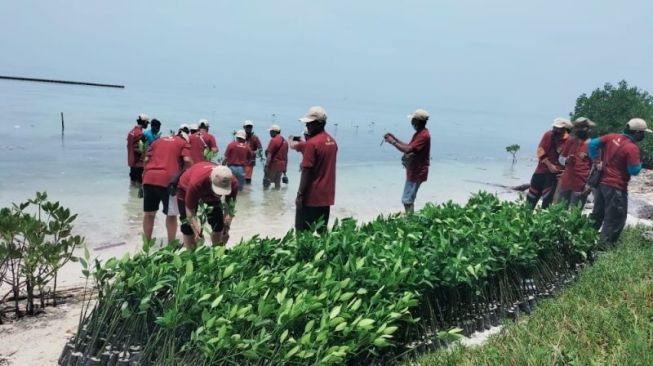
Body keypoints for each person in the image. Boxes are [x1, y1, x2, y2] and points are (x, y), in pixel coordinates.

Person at [588, 118, 650, 248]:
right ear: (637, 132)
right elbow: (634, 171)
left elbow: (592, 144)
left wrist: (596, 160)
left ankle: (585, 242)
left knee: (597, 215)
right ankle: (603, 250)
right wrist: (640, 162)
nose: (643, 135)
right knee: (615, 219)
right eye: (643, 133)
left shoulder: (611, 137)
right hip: (616, 187)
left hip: (601, 184)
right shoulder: (631, 148)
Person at [142, 133, 192, 243]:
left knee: (149, 214)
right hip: (168, 180)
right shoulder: (183, 143)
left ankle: (146, 245)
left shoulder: (157, 141)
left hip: (149, 177)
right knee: (171, 214)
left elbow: (146, 159)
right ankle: (171, 245)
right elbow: (187, 160)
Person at [177, 163, 239, 249]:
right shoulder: (196, 182)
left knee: (218, 224)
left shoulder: (233, 183)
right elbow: (190, 211)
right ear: (211, 179)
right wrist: (197, 232)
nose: (219, 194)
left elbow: (229, 209)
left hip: (208, 191)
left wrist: (226, 229)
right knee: (187, 226)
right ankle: (191, 255)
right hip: (185, 188)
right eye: (218, 190)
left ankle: (216, 252)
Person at [296, 106, 337, 233]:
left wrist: (300, 195)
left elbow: (307, 171)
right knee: (322, 232)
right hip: (326, 196)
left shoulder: (312, 143)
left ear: (319, 124)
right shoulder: (332, 142)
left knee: (302, 231)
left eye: (309, 123)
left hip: (311, 196)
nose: (307, 126)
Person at [383, 109, 431, 213]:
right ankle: (410, 219)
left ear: (417, 121)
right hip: (414, 170)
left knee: (407, 200)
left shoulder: (423, 135)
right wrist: (394, 138)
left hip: (417, 171)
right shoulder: (419, 133)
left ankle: (410, 221)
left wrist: (393, 142)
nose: (411, 122)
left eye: (413, 120)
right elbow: (409, 146)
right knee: (408, 199)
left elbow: (408, 149)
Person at [526, 117, 572, 209]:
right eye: (555, 127)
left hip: (555, 177)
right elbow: (540, 151)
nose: (555, 130)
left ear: (565, 129)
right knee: (531, 199)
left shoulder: (570, 141)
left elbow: (570, 160)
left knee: (547, 202)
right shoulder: (548, 135)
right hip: (540, 172)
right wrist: (549, 165)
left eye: (558, 128)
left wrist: (565, 172)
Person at [556, 117, 596, 208]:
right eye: (577, 127)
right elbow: (561, 158)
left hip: (581, 185)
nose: (579, 130)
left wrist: (589, 185)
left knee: (575, 214)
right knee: (559, 210)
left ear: (588, 129)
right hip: (566, 182)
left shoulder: (592, 145)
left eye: (582, 127)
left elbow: (595, 167)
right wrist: (566, 161)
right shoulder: (571, 141)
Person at [264, 124, 289, 190]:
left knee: (266, 183)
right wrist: (285, 169)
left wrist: (266, 166)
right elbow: (286, 157)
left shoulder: (273, 140)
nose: (270, 133)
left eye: (270, 131)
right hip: (281, 166)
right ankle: (277, 198)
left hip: (274, 165)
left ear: (274, 132)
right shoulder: (285, 142)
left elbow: (269, 155)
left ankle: (266, 199)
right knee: (277, 184)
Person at [127, 113, 150, 184]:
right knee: (139, 186)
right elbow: (141, 149)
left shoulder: (131, 132)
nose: (147, 125)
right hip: (138, 164)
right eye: (147, 123)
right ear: (144, 123)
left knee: (132, 184)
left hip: (131, 162)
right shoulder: (140, 134)